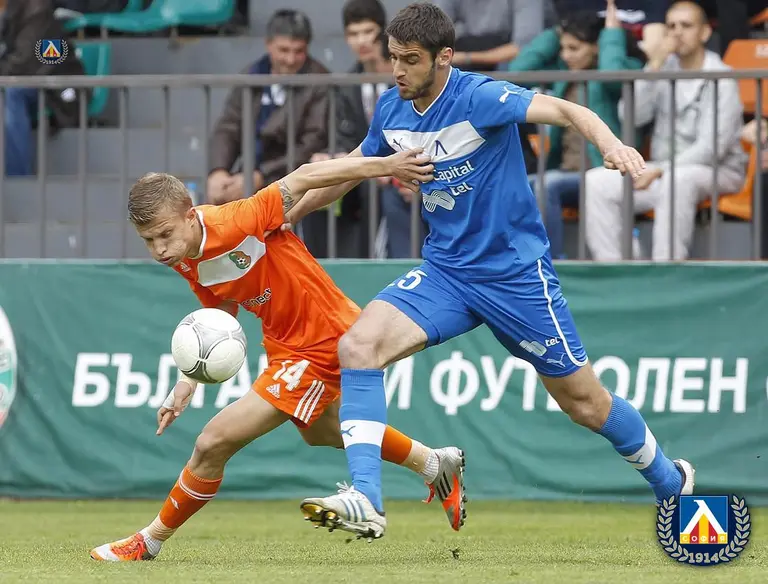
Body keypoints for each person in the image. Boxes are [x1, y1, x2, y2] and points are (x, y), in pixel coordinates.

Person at [288, 2, 694, 541]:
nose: (398, 70)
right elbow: (350, 172)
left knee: (585, 404)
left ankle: (671, 482)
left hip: (515, 276)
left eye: (410, 60)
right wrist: (284, 216)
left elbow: (568, 110)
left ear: (444, 57)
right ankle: (367, 497)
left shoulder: (481, 96)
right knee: (358, 346)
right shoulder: (391, 108)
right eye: (394, 58)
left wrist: (613, 146)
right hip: (446, 273)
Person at [89, 151, 467, 562]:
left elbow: (305, 176)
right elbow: (218, 311)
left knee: (213, 443)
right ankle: (434, 464)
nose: (160, 249)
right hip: (285, 343)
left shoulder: (236, 220)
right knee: (321, 431)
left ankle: (149, 541)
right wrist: (188, 380)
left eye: (165, 234)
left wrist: (387, 166)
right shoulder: (184, 257)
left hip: (323, 337)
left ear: (190, 215)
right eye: (149, 241)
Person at [584, 0, 746, 261]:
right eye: (671, 26)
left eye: (686, 25)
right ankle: (616, 269)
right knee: (596, 182)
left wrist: (661, 169)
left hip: (718, 171)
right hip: (662, 171)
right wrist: (654, 65)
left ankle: (666, 268)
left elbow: (711, 149)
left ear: (705, 32)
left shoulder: (722, 76)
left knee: (678, 180)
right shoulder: (662, 68)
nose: (677, 32)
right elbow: (631, 116)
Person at [509, 1, 644, 258]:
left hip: (605, 172)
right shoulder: (566, 75)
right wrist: (558, 31)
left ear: (597, 47)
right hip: (567, 172)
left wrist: (611, 34)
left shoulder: (622, 71)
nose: (565, 55)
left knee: (546, 184)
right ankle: (524, 261)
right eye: (562, 48)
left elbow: (611, 73)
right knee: (522, 184)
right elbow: (518, 71)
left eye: (574, 48)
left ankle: (551, 260)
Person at [207, 9, 328, 206]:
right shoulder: (251, 75)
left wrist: (261, 175)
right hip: (250, 173)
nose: (290, 60)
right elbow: (228, 127)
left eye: (299, 51)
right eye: (284, 50)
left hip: (292, 181)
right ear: (268, 44)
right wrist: (218, 171)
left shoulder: (319, 81)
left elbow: (311, 142)